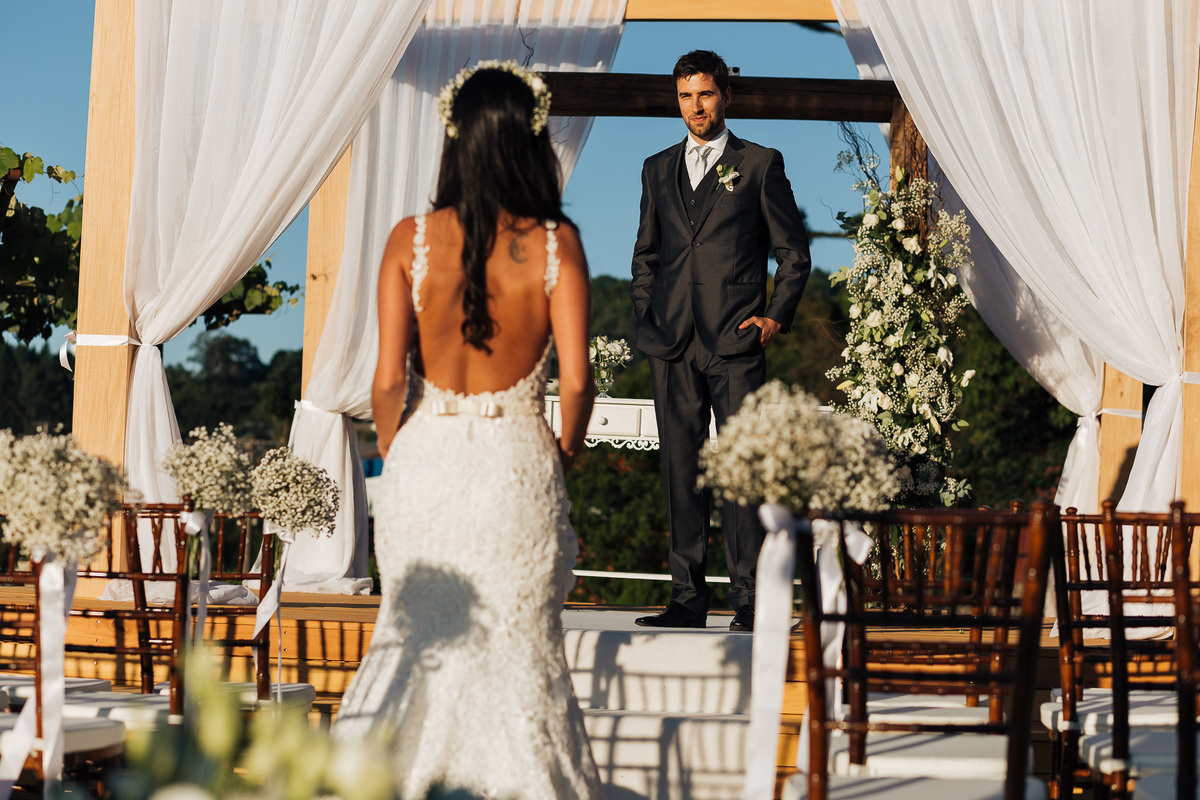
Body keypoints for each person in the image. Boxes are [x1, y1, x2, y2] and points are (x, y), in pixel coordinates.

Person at [332, 62, 601, 800]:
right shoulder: (556, 244)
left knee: (411, 639)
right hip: (516, 460)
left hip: (426, 460)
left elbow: (387, 379)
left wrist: (403, 450)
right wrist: (560, 455)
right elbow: (577, 381)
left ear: (453, 138)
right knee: (519, 648)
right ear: (531, 142)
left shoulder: (407, 240)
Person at [631, 50, 811, 632]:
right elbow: (647, 255)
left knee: (741, 473)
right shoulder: (656, 168)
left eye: (705, 94)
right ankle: (687, 598)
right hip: (672, 342)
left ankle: (752, 599)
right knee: (680, 471)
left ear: (725, 96)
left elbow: (793, 254)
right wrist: (646, 313)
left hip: (736, 341)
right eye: (685, 96)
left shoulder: (759, 163)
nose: (695, 107)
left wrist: (774, 318)